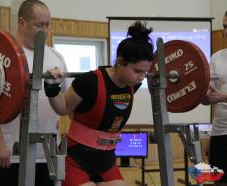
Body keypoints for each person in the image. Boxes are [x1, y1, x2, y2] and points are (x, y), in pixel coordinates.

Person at [44, 21, 153, 186]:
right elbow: (63, 107)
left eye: (145, 72)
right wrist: (52, 88)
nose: (142, 77)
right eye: (137, 71)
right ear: (120, 61)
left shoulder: (132, 84)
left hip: (106, 162)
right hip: (75, 160)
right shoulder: (90, 82)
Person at [0, 0, 68, 186]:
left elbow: (64, 102)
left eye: (48, 24)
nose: (45, 30)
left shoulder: (56, 57)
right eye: (40, 25)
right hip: (8, 153)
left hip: (46, 152)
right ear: (22, 23)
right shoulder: (0, 55)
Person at [201, 11, 227, 185]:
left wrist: (222, 97)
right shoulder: (217, 57)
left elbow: (219, 96)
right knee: (220, 181)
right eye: (225, 26)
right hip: (220, 132)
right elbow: (207, 94)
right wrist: (202, 96)